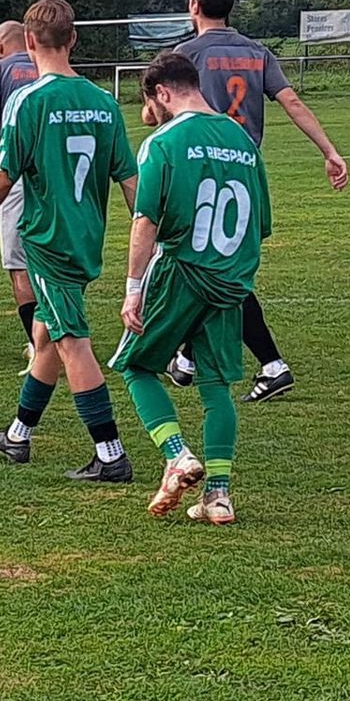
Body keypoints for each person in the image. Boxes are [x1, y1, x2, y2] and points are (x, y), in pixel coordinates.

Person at [0, 0, 138, 483]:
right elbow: (130, 180)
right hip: (85, 238)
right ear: (73, 39)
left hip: (47, 241)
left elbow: (4, 171)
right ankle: (19, 435)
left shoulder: (27, 100)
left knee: (72, 342)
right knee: (45, 334)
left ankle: (110, 453)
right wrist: (154, 235)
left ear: (30, 42)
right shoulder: (105, 103)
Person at [172, 0, 347, 402]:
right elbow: (290, 100)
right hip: (247, 169)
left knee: (207, 266)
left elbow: (159, 112)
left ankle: (272, 363)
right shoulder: (256, 52)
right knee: (209, 262)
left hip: (203, 168)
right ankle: (187, 358)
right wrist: (329, 150)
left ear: (194, 5)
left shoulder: (186, 54)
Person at [111, 52, 272, 525]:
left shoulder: (163, 142)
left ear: (162, 93)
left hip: (180, 271)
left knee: (136, 366)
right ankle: (219, 496)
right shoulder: (243, 140)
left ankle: (178, 455)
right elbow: (259, 225)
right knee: (216, 386)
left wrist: (133, 288)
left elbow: (145, 221)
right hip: (230, 281)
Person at [0, 20, 42, 368]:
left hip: (14, 176)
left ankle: (38, 346)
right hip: (54, 175)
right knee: (51, 257)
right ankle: (59, 333)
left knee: (18, 264)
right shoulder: (47, 63)